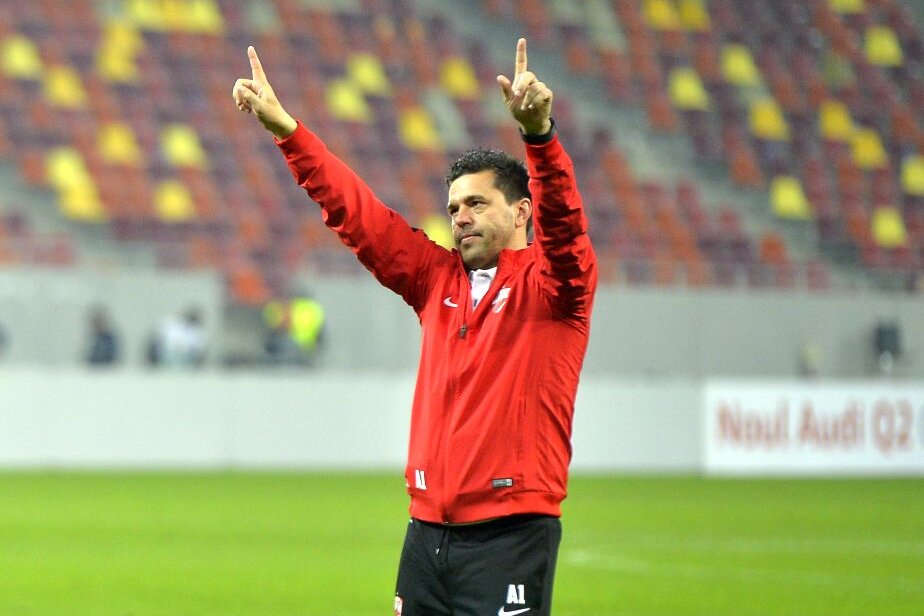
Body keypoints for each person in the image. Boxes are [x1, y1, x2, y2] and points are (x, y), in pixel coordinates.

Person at [233, 37, 597, 616]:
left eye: (476, 204)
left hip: (510, 532)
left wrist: (539, 139)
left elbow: (567, 230)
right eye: (453, 208)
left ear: (522, 211)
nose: (461, 218)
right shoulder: (436, 280)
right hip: (427, 534)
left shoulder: (555, 288)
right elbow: (361, 219)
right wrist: (288, 132)